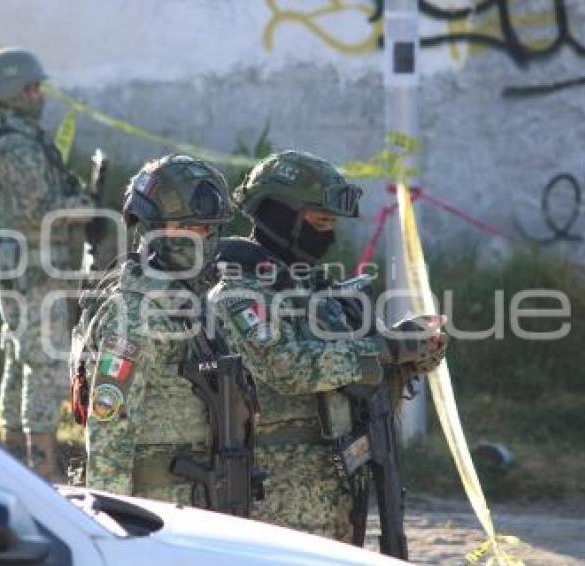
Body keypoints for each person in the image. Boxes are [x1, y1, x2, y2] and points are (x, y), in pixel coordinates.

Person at [208, 151, 447, 541]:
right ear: (280, 214)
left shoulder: (316, 289)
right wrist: (386, 349)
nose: (329, 234)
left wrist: (415, 350)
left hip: (337, 482)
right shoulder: (239, 293)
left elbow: (363, 356)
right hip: (277, 495)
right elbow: (289, 367)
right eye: (320, 221)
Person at [71, 155, 260, 511]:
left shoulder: (191, 303)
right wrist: (112, 526)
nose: (203, 238)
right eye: (189, 227)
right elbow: (109, 433)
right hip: (157, 513)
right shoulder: (133, 312)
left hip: (203, 502)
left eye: (209, 228)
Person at [0, 47, 92, 480]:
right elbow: (40, 211)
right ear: (10, 91)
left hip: (23, 267)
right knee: (45, 363)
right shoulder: (13, 146)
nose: (39, 96)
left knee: (20, 358)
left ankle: (14, 456)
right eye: (31, 88)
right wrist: (83, 205)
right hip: (33, 271)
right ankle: (42, 467)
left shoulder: (12, 137)